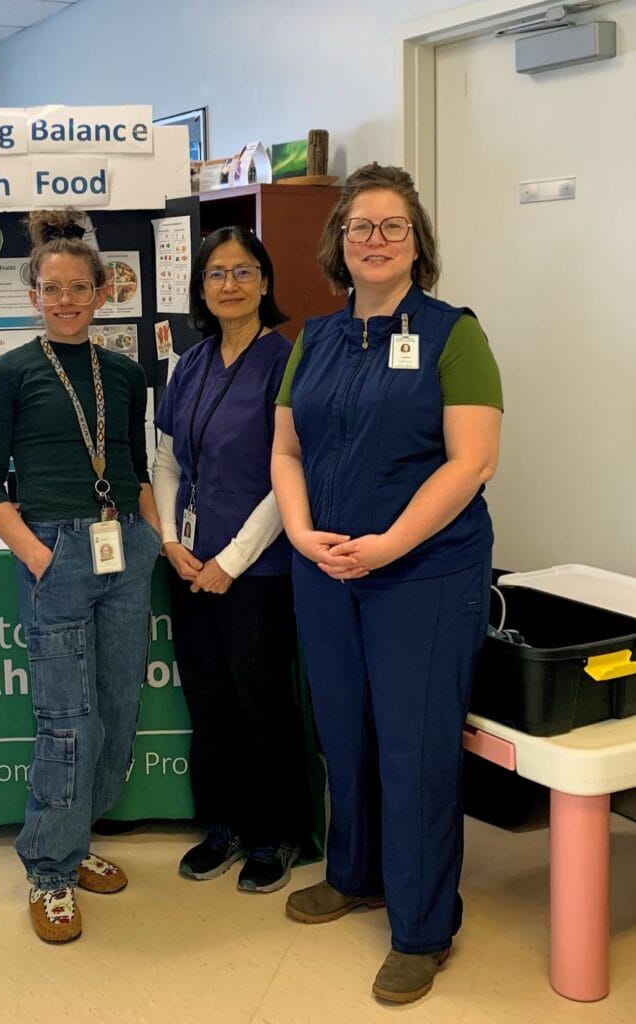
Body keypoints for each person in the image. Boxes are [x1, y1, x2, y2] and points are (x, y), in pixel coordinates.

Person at [271, 163, 503, 1002]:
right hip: (325, 568)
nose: (374, 239)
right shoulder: (318, 340)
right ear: (338, 244)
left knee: (414, 746)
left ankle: (422, 927)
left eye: (392, 226)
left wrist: (387, 545)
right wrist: (301, 534)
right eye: (360, 226)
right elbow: (287, 451)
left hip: (425, 573)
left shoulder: (453, 333)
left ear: (417, 244)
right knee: (345, 731)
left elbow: (472, 460)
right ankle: (355, 872)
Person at [0, 208, 162, 944]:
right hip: (53, 551)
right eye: (52, 288)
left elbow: (136, 470)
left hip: (124, 550)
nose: (66, 300)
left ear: (103, 291)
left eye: (79, 287)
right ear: (33, 294)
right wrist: (44, 558)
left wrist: (152, 539)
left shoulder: (124, 372)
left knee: (116, 710)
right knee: (66, 720)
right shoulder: (9, 374)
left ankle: (76, 843)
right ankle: (49, 871)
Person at [153, 226, 308, 893]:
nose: (229, 285)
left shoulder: (288, 361)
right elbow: (165, 460)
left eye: (243, 272)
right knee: (209, 700)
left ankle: (276, 834)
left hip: (258, 572)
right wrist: (170, 541)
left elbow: (288, 474)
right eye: (216, 274)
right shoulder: (189, 364)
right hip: (189, 565)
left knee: (261, 701)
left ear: (266, 283)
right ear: (201, 288)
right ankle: (223, 824)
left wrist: (233, 561)